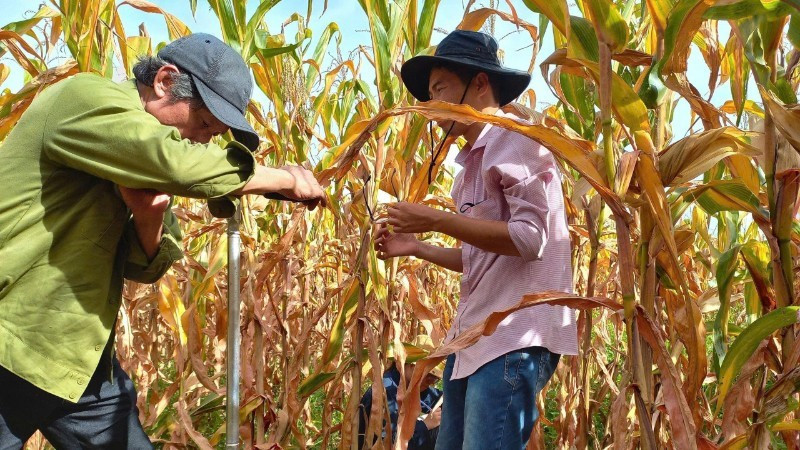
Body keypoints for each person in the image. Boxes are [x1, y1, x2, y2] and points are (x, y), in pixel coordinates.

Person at [0, 33, 325, 449]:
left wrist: (149, 216)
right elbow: (175, 162)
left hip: (79, 359)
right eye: (205, 124)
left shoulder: (147, 164)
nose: (203, 140)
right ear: (164, 82)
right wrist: (280, 179)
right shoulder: (86, 98)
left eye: (215, 134)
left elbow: (146, 266)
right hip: (14, 343)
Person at [374, 30, 578, 449]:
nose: (430, 107)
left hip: (512, 338)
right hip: (472, 342)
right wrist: (417, 247)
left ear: (480, 83)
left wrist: (435, 219)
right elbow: (482, 256)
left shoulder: (517, 139)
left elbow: (529, 239)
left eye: (439, 90)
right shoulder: (471, 164)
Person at [357, 338, 444, 450]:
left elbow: (436, 398)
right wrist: (425, 425)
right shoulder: (386, 392)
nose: (431, 382)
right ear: (410, 366)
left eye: (435, 379)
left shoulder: (411, 384)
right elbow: (391, 441)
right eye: (429, 376)